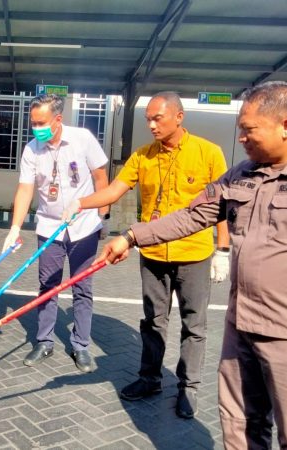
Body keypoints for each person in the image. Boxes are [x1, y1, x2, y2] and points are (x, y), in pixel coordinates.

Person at [97, 81, 287, 448]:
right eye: (240, 131)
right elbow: (191, 216)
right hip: (242, 328)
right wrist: (133, 236)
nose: (243, 139)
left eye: (250, 130)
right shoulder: (240, 176)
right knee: (240, 426)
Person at [62, 91, 229, 418]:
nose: (151, 125)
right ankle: (150, 377)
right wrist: (81, 203)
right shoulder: (143, 156)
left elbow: (222, 206)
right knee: (153, 321)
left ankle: (189, 388)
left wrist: (222, 249)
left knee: (194, 325)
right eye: (148, 120)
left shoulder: (209, 153)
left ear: (179, 117)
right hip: (152, 254)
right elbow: (114, 190)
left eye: (158, 118)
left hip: (194, 254)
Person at [2, 94, 110, 373]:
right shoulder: (31, 150)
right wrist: (15, 227)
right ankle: (44, 341)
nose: (36, 128)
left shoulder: (83, 139)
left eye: (41, 122)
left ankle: (81, 346)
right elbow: (25, 188)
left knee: (82, 287)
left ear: (58, 119)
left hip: (84, 225)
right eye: (33, 123)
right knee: (47, 286)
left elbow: (101, 177)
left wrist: (103, 214)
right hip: (49, 226)